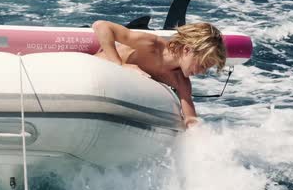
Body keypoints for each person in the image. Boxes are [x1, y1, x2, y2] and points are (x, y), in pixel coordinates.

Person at [92, 20, 226, 129]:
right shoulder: (152, 46)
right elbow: (101, 26)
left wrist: (195, 131)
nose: (202, 72)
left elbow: (190, 117)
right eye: (202, 65)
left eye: (206, 69)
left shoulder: (181, 81)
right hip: (93, 70)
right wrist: (120, 65)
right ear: (187, 50)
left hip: (114, 91)